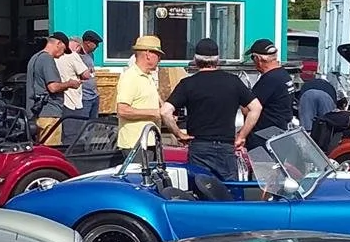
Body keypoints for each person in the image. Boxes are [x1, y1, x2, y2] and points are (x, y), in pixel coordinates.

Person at [161, 38, 260, 181]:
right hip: (226, 146)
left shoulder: (188, 84)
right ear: (217, 60)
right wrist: (242, 135)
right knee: (229, 189)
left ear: (196, 60)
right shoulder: (233, 81)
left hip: (199, 146)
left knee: (201, 187)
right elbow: (256, 108)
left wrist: (178, 134)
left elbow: (165, 112)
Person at [116, 35, 166, 153]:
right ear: (148, 54)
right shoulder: (130, 77)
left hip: (150, 141)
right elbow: (122, 110)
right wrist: (155, 113)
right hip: (135, 144)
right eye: (158, 55)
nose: (159, 60)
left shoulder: (148, 76)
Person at [245, 38, 295, 149]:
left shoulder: (270, 79)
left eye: (253, 58)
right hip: (280, 133)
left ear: (258, 59)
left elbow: (248, 109)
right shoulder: (283, 74)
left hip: (265, 137)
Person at [26, 32, 74, 146]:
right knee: (51, 150)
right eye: (64, 50)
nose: (63, 54)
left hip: (36, 113)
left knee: (39, 149)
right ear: (59, 43)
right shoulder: (47, 59)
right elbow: (53, 87)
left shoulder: (35, 58)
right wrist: (70, 84)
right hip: (50, 114)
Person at [56, 35, 96, 150]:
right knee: (75, 133)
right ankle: (75, 154)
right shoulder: (73, 56)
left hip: (61, 99)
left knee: (65, 132)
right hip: (73, 100)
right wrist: (88, 71)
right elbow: (86, 75)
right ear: (78, 46)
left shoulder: (56, 57)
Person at [296, 59, 340, 131]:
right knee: (327, 124)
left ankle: (308, 135)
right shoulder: (327, 83)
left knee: (307, 126)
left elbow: (299, 103)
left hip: (308, 94)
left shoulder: (306, 85)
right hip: (327, 95)